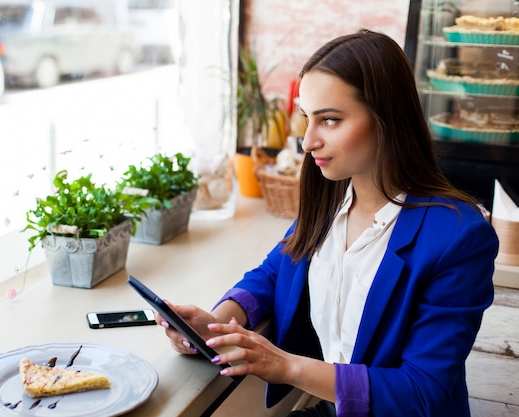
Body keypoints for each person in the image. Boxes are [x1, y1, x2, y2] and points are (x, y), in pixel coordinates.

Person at [157, 29, 499, 416]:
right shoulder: (330, 198)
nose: (307, 142)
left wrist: (287, 365)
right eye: (307, 119)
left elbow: (422, 392)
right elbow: (275, 273)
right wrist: (217, 325)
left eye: (330, 120)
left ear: (387, 118)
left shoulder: (458, 238)